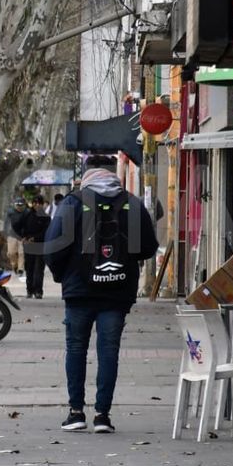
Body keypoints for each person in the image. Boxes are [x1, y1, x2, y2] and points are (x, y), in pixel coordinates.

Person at [45, 167, 158, 433]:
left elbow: (52, 247)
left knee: (76, 349)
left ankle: (75, 413)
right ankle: (102, 416)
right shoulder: (131, 203)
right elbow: (148, 248)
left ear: (86, 181)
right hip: (117, 293)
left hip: (79, 292)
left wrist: (64, 276)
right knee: (109, 351)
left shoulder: (72, 202)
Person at [13, 195, 50, 299]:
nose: (37, 205)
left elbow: (46, 232)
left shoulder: (46, 217)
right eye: (35, 203)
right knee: (29, 269)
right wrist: (23, 237)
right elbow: (17, 226)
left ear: (42, 204)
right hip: (28, 246)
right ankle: (29, 290)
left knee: (39, 269)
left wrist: (35, 238)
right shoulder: (27, 215)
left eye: (39, 203)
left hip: (40, 246)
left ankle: (38, 291)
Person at [5, 198, 27, 277]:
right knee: (11, 253)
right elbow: (6, 224)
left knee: (21, 253)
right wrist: (6, 233)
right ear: (14, 205)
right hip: (12, 235)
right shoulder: (10, 213)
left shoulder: (26, 213)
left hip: (22, 236)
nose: (19, 207)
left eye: (21, 205)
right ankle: (14, 265)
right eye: (17, 205)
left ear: (24, 205)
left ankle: (20, 269)